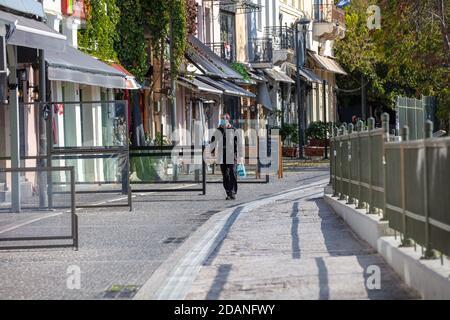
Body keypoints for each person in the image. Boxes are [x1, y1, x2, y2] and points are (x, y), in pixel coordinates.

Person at [210, 113, 243, 200]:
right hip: (221, 155)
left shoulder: (234, 130)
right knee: (225, 174)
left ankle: (233, 192)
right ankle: (228, 192)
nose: (222, 120)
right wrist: (212, 151)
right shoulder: (218, 130)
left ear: (228, 120)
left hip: (232, 155)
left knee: (232, 173)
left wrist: (240, 155)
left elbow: (239, 143)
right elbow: (213, 141)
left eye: (223, 119)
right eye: (221, 119)